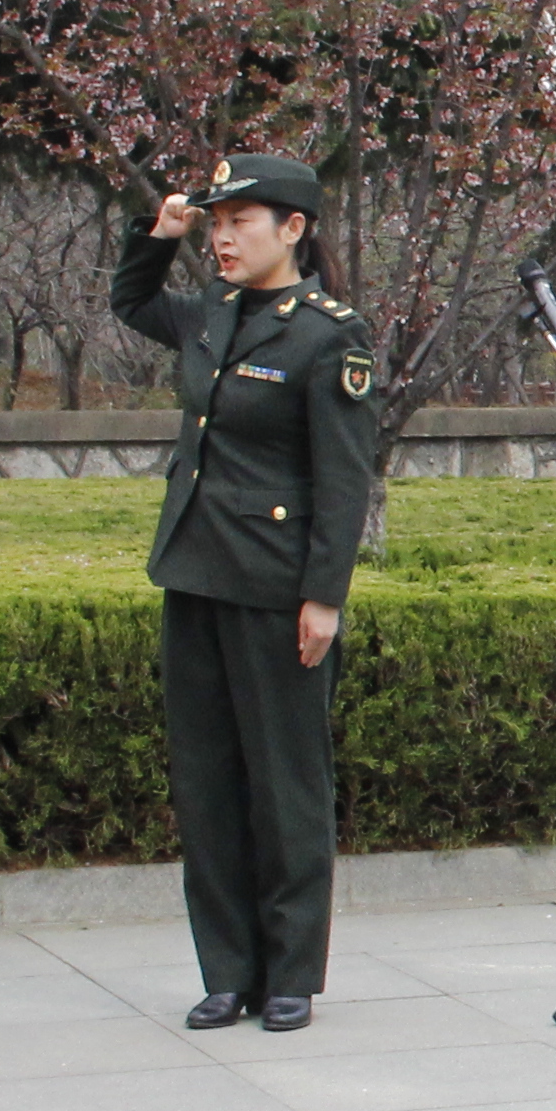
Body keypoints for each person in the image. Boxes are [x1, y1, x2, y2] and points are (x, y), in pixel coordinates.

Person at [113, 154, 383, 1032]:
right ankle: (226, 971)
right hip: (194, 572)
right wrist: (157, 239)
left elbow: (343, 481)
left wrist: (324, 596)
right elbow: (133, 304)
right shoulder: (213, 316)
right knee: (208, 783)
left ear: (293, 230)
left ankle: (291, 974)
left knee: (286, 785)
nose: (222, 237)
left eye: (241, 222)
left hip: (275, 590)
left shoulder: (328, 334)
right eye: (216, 222)